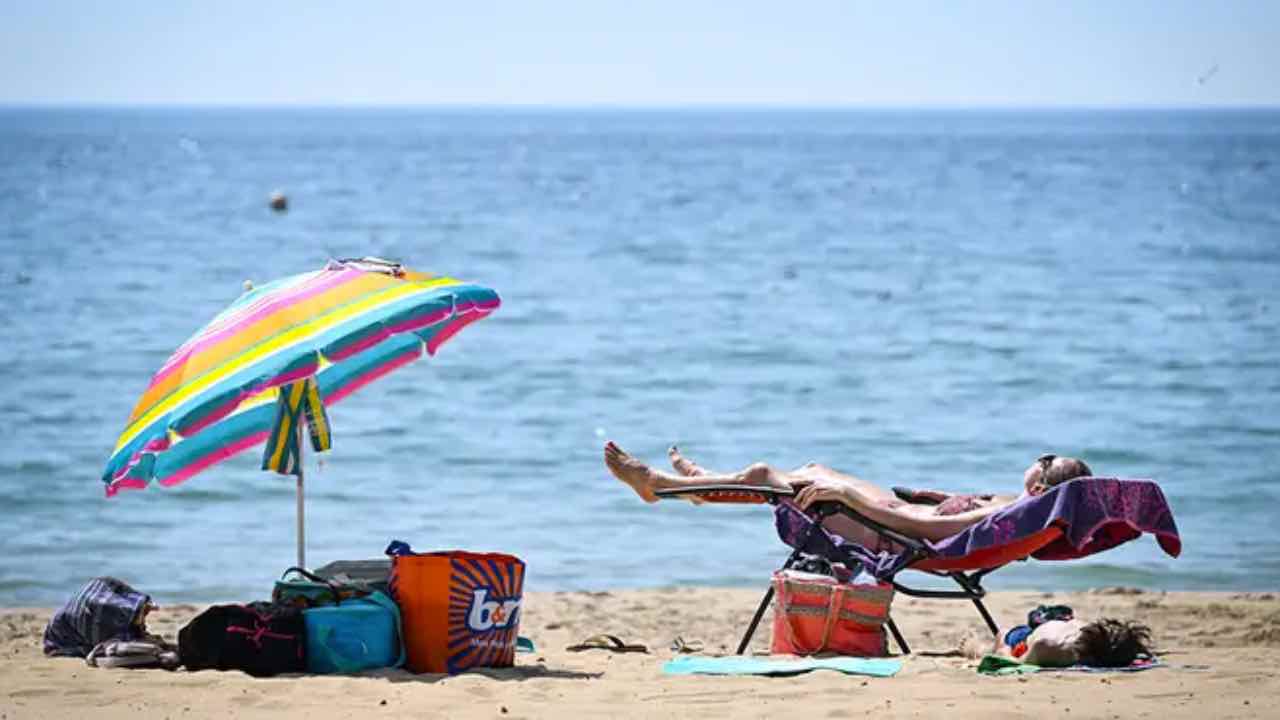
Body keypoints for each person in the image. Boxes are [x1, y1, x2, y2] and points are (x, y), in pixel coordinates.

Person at [602, 442, 1093, 544]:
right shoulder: (1023, 509)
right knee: (810, 467)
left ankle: (664, 486)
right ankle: (700, 487)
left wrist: (854, 500)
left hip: (890, 531)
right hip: (893, 514)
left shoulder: (1017, 510)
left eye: (1046, 457)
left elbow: (934, 529)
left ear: (1042, 479)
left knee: (768, 476)